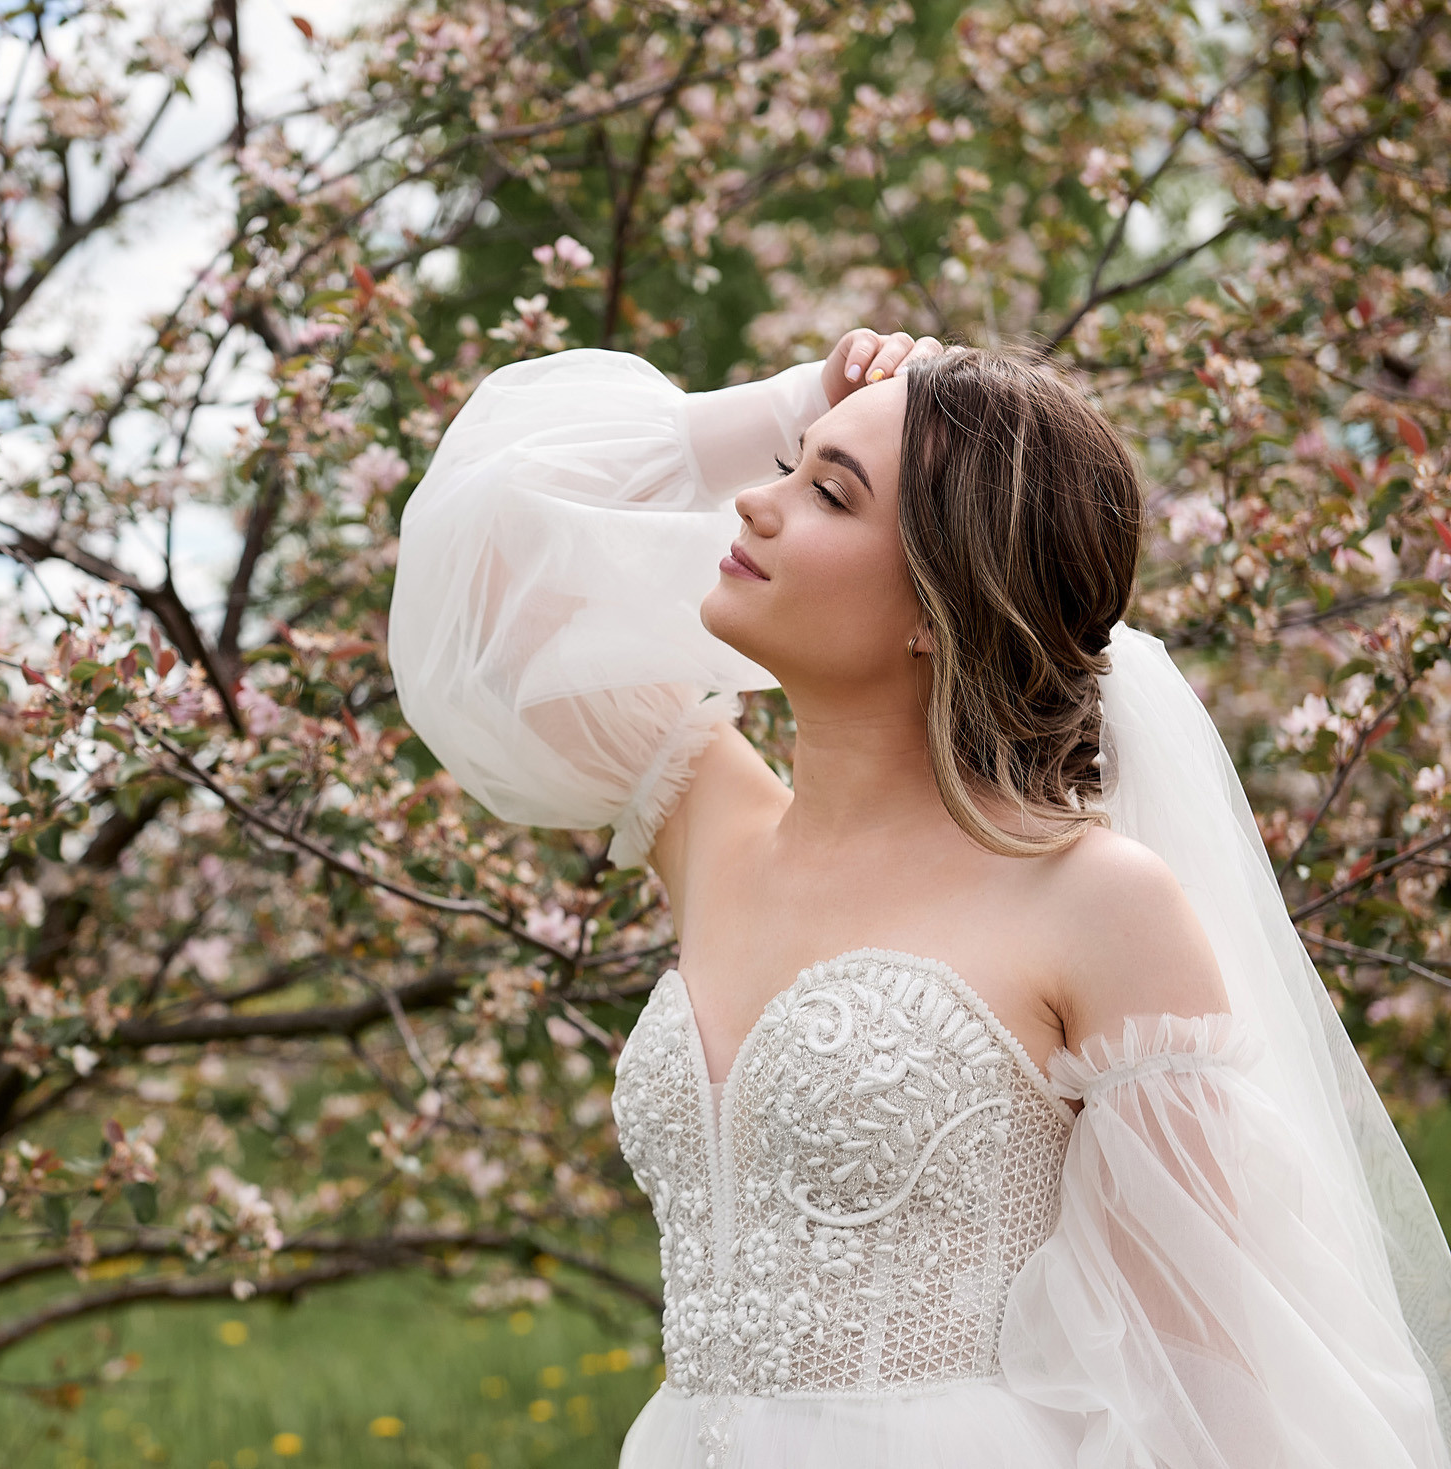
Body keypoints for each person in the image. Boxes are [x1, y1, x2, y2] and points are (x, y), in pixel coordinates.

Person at [387, 328, 1451, 1467]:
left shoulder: (1092, 900)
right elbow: (482, 555)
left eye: (828, 494)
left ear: (935, 604)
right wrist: (791, 400)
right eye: (786, 468)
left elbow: (1212, 1383)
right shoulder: (709, 821)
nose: (753, 502)